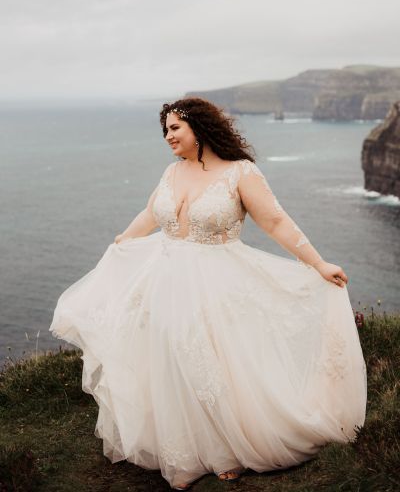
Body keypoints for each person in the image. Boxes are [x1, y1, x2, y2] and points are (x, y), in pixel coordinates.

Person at [50, 97, 367, 490]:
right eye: (165, 129)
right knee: (169, 357)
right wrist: (124, 240)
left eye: (174, 128)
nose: (167, 136)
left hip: (218, 279)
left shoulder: (240, 173)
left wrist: (318, 264)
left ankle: (227, 450)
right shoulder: (171, 172)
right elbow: (151, 213)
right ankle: (180, 447)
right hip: (163, 277)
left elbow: (275, 221)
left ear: (198, 127)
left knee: (215, 362)